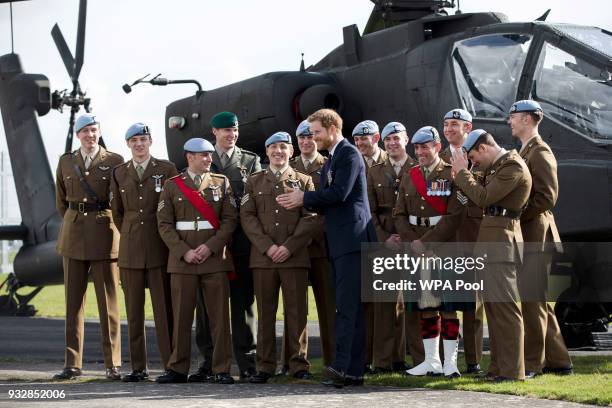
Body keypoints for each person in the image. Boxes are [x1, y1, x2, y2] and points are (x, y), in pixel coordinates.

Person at [277, 108, 377, 388]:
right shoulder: (335, 157)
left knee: (347, 307)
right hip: (343, 241)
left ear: (332, 128)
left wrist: (303, 197)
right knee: (349, 307)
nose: (314, 137)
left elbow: (339, 193)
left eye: (317, 132)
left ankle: (343, 368)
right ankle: (353, 371)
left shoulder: (348, 154)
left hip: (353, 241)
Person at [451, 129, 532, 382]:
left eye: (474, 157)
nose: (474, 163)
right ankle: (499, 368)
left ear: (484, 148)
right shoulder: (497, 167)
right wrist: (465, 175)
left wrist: (463, 172)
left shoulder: (513, 166)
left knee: (506, 309)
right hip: (492, 243)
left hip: (502, 244)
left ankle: (512, 370)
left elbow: (483, 197)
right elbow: (475, 196)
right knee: (494, 311)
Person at [156, 138, 236, 384]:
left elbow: (230, 221)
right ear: (189, 157)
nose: (209, 159)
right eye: (204, 155)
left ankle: (221, 369)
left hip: (213, 259)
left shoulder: (222, 183)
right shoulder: (172, 186)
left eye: (210, 155)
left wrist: (209, 247)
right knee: (181, 317)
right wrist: (184, 251)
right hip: (183, 261)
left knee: (219, 318)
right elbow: (164, 225)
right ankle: (178, 369)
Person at [241, 131, 317, 383]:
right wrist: (268, 247)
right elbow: (247, 217)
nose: (278, 151)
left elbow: (311, 217)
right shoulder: (253, 181)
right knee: (266, 313)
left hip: (294, 257)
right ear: (267, 152)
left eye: (283, 147)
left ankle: (298, 364)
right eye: (273, 147)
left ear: (291, 152)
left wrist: (289, 246)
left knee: (297, 312)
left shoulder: (304, 181)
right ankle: (265, 366)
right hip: (264, 259)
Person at [191, 111, 261, 382]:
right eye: (225, 130)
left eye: (234, 130)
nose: (230, 134)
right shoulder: (202, 158)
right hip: (208, 244)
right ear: (214, 132)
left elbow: (253, 200)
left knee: (243, 304)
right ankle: (207, 363)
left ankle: (247, 363)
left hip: (241, 243)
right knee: (207, 307)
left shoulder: (250, 161)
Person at [53, 114, 123, 381]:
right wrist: (74, 219)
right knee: (73, 304)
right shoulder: (66, 161)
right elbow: (61, 199)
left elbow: (119, 202)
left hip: (105, 234)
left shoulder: (114, 161)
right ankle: (72, 363)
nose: (90, 136)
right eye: (85, 131)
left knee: (109, 305)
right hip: (73, 235)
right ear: (78, 134)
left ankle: (113, 364)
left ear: (99, 132)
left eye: (94, 130)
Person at [508, 100, 572, 377]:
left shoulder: (540, 151)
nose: (509, 121)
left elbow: (547, 197)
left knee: (533, 300)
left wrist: (515, 215)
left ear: (526, 119)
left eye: (513, 117)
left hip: (536, 234)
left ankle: (533, 363)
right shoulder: (525, 150)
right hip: (530, 233)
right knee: (539, 302)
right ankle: (560, 361)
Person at [393, 126, 463, 378]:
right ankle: (431, 362)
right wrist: (414, 242)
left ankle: (451, 364)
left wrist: (427, 244)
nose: (420, 152)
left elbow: (455, 215)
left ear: (436, 146)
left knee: (448, 307)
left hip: (443, 248)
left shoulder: (451, 174)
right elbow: (399, 214)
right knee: (427, 306)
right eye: (418, 148)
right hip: (417, 248)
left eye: (425, 147)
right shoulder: (410, 175)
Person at [110, 123, 178, 382]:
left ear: (151, 142)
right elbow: (117, 212)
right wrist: (129, 235)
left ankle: (171, 364)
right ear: (128, 144)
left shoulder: (166, 169)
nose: (139, 144)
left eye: (143, 139)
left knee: (164, 311)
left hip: (159, 248)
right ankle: (138, 367)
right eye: (134, 140)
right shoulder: (119, 173)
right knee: (134, 312)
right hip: (130, 250)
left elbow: (172, 207)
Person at [277, 120, 335, 372]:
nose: (306, 141)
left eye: (310, 137)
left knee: (328, 308)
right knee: (294, 309)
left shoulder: (329, 165)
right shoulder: (290, 167)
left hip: (322, 247)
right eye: (301, 138)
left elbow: (328, 208)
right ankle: (293, 362)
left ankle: (333, 361)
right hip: (296, 248)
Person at [365, 121, 415, 373]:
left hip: (413, 241)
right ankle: (383, 362)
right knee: (385, 304)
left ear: (405, 139)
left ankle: (411, 360)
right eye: (388, 141)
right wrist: (384, 237)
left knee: (414, 303)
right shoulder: (374, 171)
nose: (393, 143)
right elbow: (369, 211)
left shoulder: (419, 168)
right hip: (385, 243)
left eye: (397, 138)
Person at [441, 108, 484, 374]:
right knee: (447, 304)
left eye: (454, 124)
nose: (449, 129)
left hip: (473, 237)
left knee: (474, 306)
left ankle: (473, 360)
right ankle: (449, 360)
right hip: (446, 240)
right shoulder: (438, 158)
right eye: (446, 125)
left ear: (468, 128)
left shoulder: (480, 159)